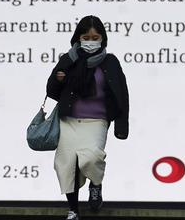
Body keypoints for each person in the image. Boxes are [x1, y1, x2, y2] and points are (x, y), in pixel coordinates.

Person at [46, 15, 129, 220]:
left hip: (97, 121)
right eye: (86, 36)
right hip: (69, 120)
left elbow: (121, 93)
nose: (90, 41)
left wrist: (121, 123)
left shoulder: (110, 61)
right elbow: (52, 91)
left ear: (102, 38)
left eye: (95, 37)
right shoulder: (68, 59)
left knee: (92, 157)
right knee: (66, 164)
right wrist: (58, 78)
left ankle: (96, 184)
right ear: (78, 37)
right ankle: (73, 210)